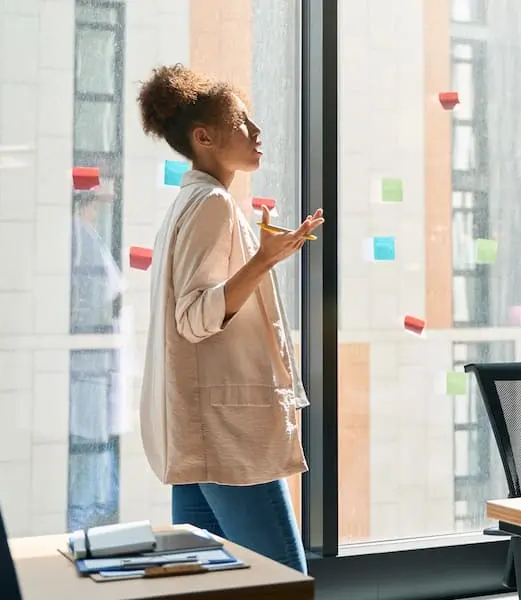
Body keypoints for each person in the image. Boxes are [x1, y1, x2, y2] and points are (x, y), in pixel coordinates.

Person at [136, 64, 324, 573]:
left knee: (209, 581)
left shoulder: (194, 200)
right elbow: (195, 317)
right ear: (205, 137)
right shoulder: (211, 204)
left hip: (201, 424)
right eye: (243, 122)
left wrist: (266, 256)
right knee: (282, 577)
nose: (257, 132)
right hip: (223, 433)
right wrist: (263, 261)